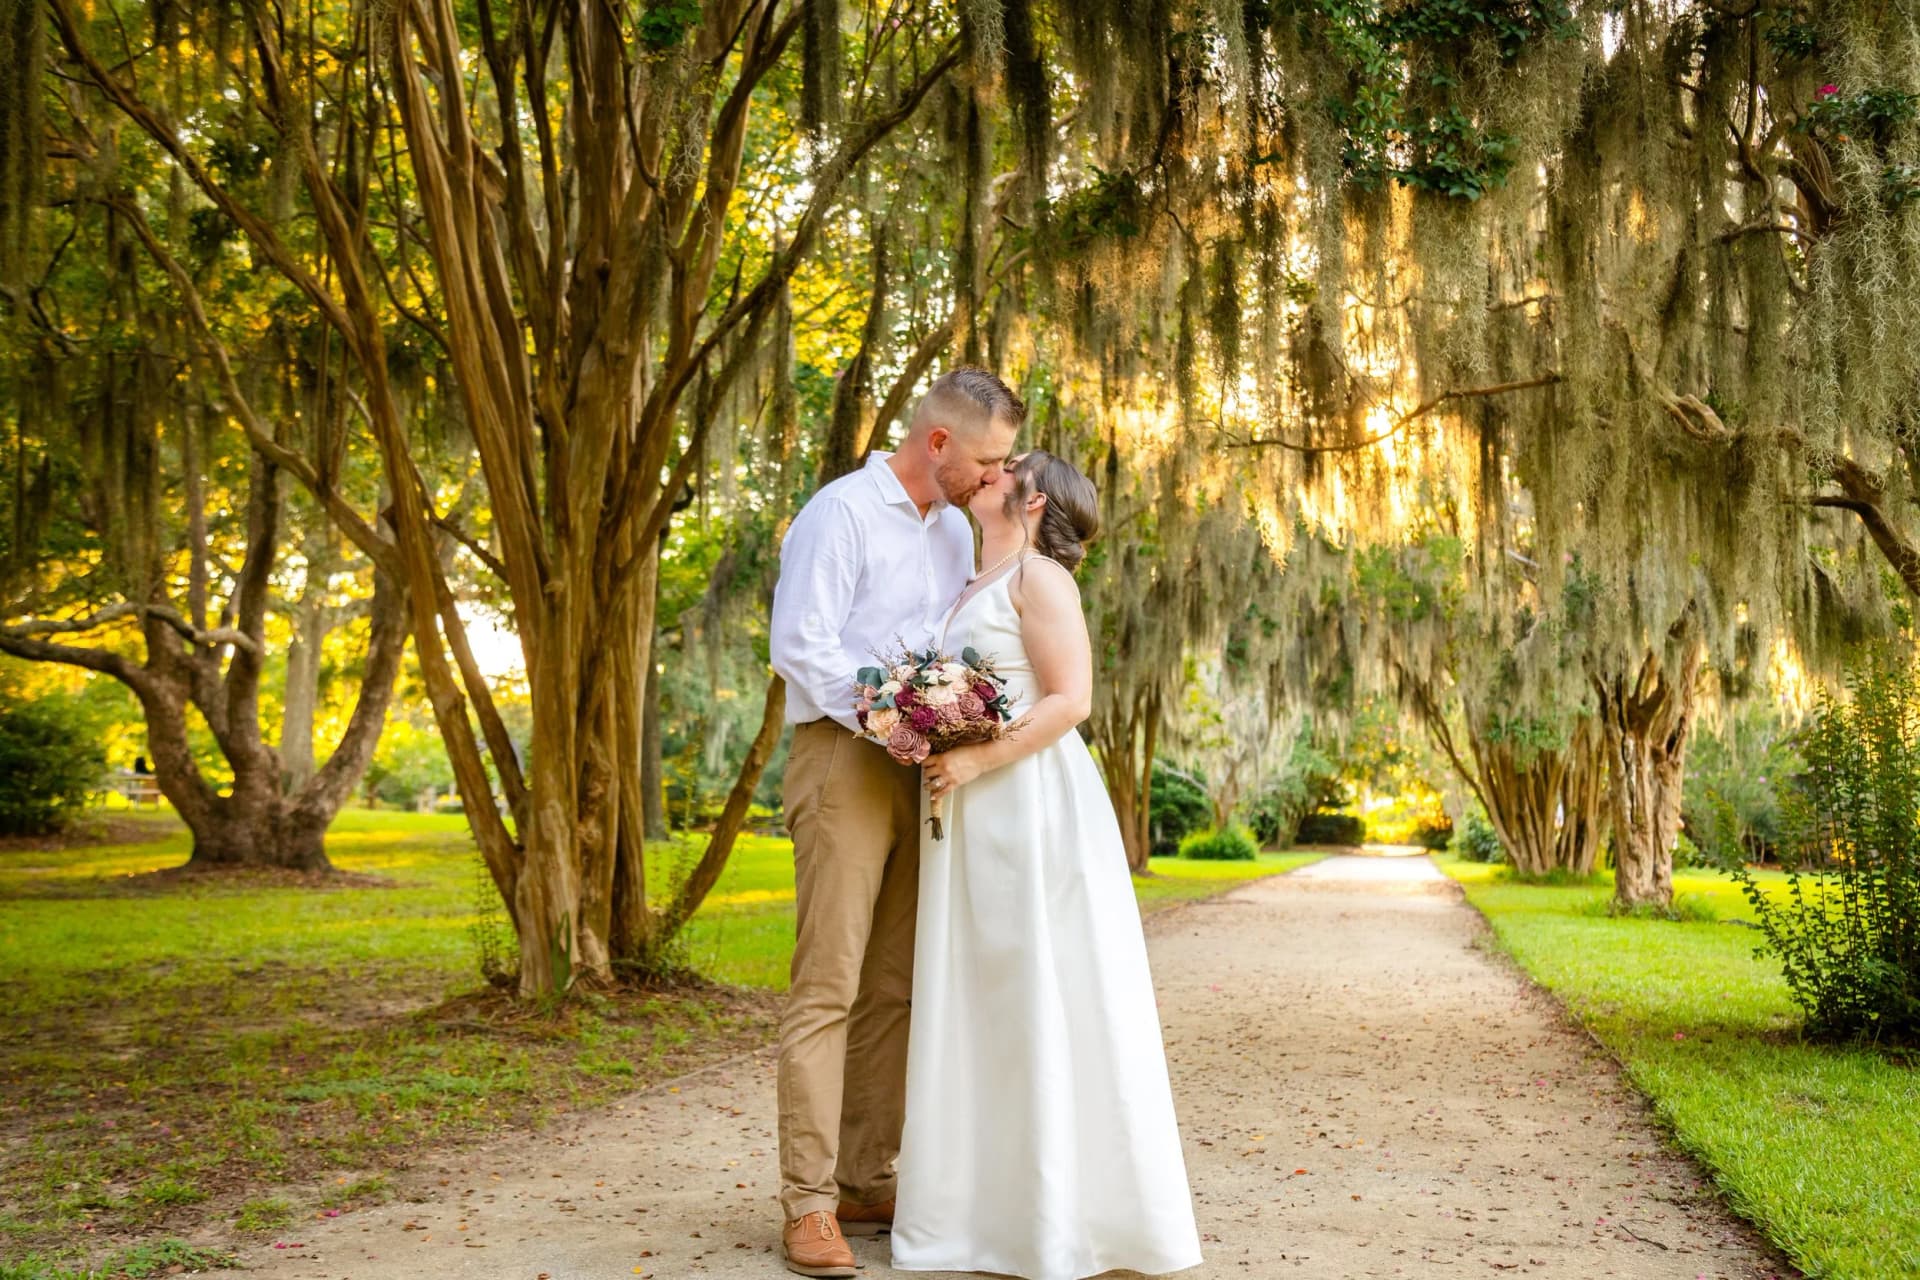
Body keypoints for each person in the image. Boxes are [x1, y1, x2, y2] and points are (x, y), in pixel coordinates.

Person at [891, 451, 1204, 1280]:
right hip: (969, 802)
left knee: (1038, 987)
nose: (987, 470)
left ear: (1031, 502)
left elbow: (1070, 699)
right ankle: (973, 1213)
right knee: (978, 994)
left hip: (1028, 803)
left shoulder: (1041, 581)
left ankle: (1057, 1219)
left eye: (1007, 468)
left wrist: (974, 760)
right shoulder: (969, 580)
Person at [767, 367, 1024, 1278]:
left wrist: (952, 724)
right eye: (989, 460)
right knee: (829, 983)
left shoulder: (956, 530)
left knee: (895, 985)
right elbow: (799, 643)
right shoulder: (842, 514)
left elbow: (952, 641)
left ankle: (868, 1176)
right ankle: (807, 1203)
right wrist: (896, 720)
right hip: (843, 758)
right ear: (940, 444)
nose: (997, 478)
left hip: (922, 770)